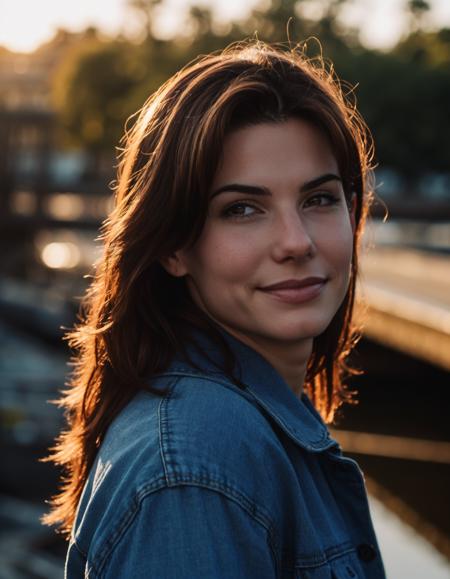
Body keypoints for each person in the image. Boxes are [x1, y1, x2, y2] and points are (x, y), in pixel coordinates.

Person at [44, 40, 386, 578]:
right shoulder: (197, 471)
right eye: (243, 209)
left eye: (319, 198)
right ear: (173, 247)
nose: (295, 242)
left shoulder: (234, 430)